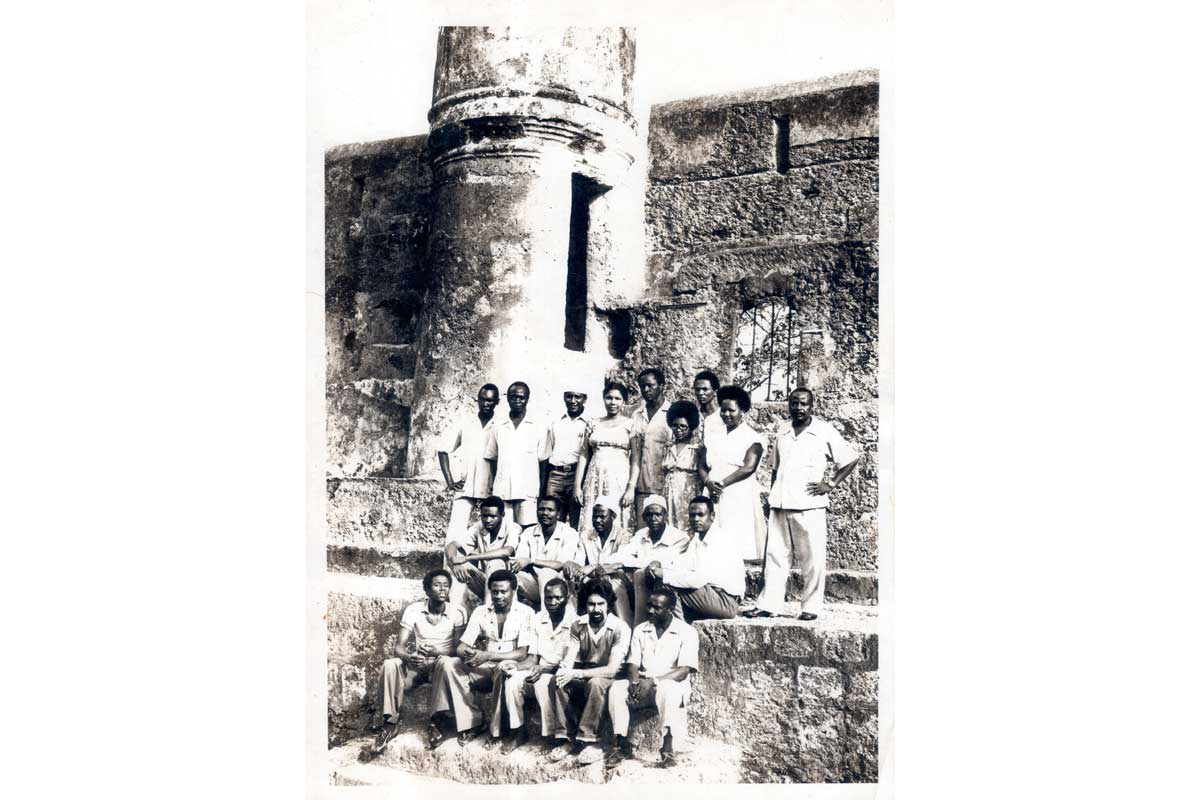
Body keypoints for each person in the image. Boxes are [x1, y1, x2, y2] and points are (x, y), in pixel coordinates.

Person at [750, 387, 859, 620]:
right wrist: (771, 497)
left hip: (809, 505)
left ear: (812, 406)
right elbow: (776, 468)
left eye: (803, 403)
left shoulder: (823, 431)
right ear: (788, 405)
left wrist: (830, 483)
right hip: (780, 502)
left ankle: (810, 607)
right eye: (794, 403)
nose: (798, 408)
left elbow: (850, 459)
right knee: (776, 556)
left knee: (812, 560)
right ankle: (770, 604)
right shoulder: (783, 430)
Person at [428, 569, 536, 748]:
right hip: (484, 667)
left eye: (503, 591)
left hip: (508, 667)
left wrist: (488, 655)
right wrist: (469, 654)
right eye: (495, 591)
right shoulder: (481, 611)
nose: (498, 596)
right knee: (447, 663)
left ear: (513, 592)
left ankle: (498, 731)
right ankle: (473, 722)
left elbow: (522, 653)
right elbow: (461, 646)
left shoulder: (526, 613)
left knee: (504, 668)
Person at [368, 569, 468, 755]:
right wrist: (408, 657)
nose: (442, 589)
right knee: (391, 664)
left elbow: (458, 649)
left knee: (445, 662)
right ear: (427, 590)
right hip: (419, 665)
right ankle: (390, 724)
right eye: (437, 585)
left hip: (441, 666)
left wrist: (438, 652)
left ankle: (437, 722)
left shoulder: (458, 612)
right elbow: (399, 646)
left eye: (446, 586)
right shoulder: (413, 610)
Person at [606, 585, 700, 769]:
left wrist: (653, 682)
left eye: (657, 607)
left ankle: (667, 750)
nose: (650, 610)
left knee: (668, 689)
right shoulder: (641, 629)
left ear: (670, 610)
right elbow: (633, 662)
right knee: (617, 689)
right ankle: (622, 744)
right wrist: (634, 682)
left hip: (670, 685)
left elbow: (683, 671)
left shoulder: (687, 632)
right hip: (644, 684)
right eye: (649, 605)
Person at [546, 579, 632, 766]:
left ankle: (592, 741)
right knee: (558, 680)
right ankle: (568, 739)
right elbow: (569, 658)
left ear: (608, 605)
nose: (596, 609)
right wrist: (565, 671)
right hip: (585, 673)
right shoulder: (578, 625)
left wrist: (576, 673)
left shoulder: (620, 628)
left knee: (596, 682)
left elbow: (611, 669)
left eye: (601, 604)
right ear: (585, 605)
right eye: (591, 604)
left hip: (611, 677)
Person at [493, 577, 577, 753]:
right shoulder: (539, 619)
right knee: (513, 679)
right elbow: (532, 658)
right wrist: (514, 667)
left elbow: (568, 664)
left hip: (560, 673)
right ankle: (519, 730)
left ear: (567, 599)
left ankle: (551, 736)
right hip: (539, 668)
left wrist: (542, 670)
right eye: (548, 598)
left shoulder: (574, 623)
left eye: (557, 598)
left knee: (542, 683)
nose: (552, 602)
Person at [647, 496, 744, 621]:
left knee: (667, 584)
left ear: (712, 516)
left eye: (700, 514)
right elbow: (683, 563)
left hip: (726, 601)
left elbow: (698, 579)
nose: (696, 519)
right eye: (692, 515)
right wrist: (660, 563)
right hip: (709, 594)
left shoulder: (719, 540)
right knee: (660, 579)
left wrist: (664, 574)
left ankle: (678, 631)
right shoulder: (698, 538)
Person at [702, 384, 766, 561]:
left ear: (742, 411)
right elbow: (702, 464)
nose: (726, 414)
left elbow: (748, 467)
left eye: (731, 410)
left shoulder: (752, 437)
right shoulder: (714, 435)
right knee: (713, 531)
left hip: (736, 489)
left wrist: (721, 484)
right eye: (723, 410)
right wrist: (708, 482)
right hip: (712, 487)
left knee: (734, 530)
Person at [436, 383, 499, 548]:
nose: (486, 404)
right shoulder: (466, 422)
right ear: (477, 400)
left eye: (491, 401)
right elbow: (443, 450)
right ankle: (450, 571)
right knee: (455, 532)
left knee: (489, 535)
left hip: (491, 490)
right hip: (465, 488)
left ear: (497, 402)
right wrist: (450, 481)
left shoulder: (500, 425)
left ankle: (486, 571)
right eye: (483, 400)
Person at [574, 382, 640, 537]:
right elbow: (584, 455)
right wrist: (577, 486)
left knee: (616, 516)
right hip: (595, 478)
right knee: (594, 515)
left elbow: (636, 460)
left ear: (624, 402)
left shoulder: (631, 424)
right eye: (609, 398)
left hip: (619, 479)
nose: (612, 402)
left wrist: (630, 488)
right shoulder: (593, 423)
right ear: (603, 399)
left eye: (617, 398)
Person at [484, 381, 550, 527]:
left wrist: (541, 492)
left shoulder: (539, 426)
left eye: (521, 397)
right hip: (502, 490)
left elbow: (544, 462)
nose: (517, 401)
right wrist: (495, 485)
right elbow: (492, 459)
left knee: (528, 531)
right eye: (513, 397)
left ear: (528, 398)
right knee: (505, 531)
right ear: (507, 399)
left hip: (528, 491)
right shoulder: (498, 426)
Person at [620, 495, 692, 625]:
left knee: (641, 573)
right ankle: (638, 628)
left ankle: (643, 626)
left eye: (658, 514)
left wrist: (643, 563)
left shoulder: (680, 537)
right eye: (649, 515)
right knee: (632, 574)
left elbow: (668, 561)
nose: (653, 519)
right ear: (643, 517)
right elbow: (624, 555)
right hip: (643, 581)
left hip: (670, 584)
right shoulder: (640, 535)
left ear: (665, 515)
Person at [565, 496, 636, 626]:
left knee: (613, 583)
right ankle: (572, 623)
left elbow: (622, 559)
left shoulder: (624, 535)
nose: (597, 520)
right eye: (595, 516)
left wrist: (593, 567)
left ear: (613, 517)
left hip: (616, 580)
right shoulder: (586, 535)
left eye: (602, 517)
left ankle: (625, 625)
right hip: (592, 579)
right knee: (571, 578)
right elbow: (579, 561)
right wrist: (573, 565)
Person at [446, 496, 522, 603]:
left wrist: (468, 558)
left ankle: (489, 611)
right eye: (484, 516)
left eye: (492, 516)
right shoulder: (479, 527)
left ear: (502, 515)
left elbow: (507, 551)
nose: (488, 520)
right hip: (486, 580)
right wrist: (455, 563)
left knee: (495, 563)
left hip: (508, 585)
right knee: (456, 568)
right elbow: (452, 545)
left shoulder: (513, 528)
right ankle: (459, 611)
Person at [510, 496, 581, 611]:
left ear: (558, 514)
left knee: (546, 573)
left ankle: (546, 618)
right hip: (535, 583)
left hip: (560, 586)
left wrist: (531, 560)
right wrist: (524, 563)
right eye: (541, 509)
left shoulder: (569, 533)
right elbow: (520, 560)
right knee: (511, 577)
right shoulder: (529, 532)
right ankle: (513, 617)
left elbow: (561, 564)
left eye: (550, 510)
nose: (545, 513)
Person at [632, 368, 672, 521]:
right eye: (642, 386)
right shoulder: (637, 414)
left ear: (662, 386)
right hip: (641, 485)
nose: (646, 390)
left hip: (664, 486)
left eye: (650, 385)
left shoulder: (671, 413)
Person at [662, 400, 707, 530]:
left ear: (691, 426)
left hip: (688, 493)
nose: (678, 430)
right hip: (669, 493)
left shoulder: (697, 448)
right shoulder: (668, 447)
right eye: (675, 426)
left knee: (687, 526)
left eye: (683, 426)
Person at [546, 388, 589, 526]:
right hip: (555, 475)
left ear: (584, 399)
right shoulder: (556, 422)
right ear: (564, 397)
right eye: (569, 396)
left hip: (576, 476)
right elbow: (550, 448)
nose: (573, 401)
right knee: (553, 518)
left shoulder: (589, 423)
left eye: (577, 397)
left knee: (575, 519)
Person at [691, 370, 721, 444]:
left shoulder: (723, 417)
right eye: (697, 389)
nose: (700, 393)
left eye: (705, 389)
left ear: (715, 392)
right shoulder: (692, 415)